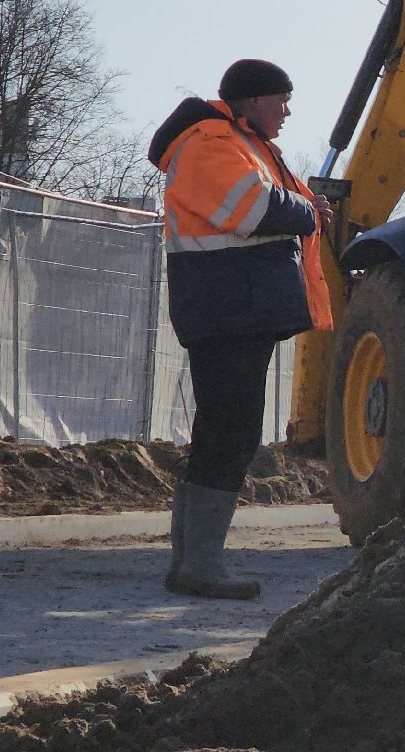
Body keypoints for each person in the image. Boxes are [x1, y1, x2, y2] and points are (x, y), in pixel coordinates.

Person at [146, 59, 333, 599]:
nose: (287, 111)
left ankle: (193, 564)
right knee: (229, 434)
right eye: (281, 100)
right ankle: (198, 568)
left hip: (236, 311)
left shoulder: (242, 145)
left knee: (223, 433)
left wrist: (305, 207)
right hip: (228, 311)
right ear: (252, 101)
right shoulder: (211, 142)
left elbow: (290, 203)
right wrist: (306, 211)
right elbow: (257, 208)